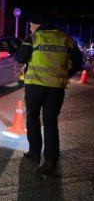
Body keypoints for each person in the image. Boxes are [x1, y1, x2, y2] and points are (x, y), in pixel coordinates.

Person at [15, 12, 83, 175]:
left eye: (31, 25)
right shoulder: (65, 38)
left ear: (37, 25)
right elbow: (79, 62)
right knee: (51, 121)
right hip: (56, 88)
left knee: (32, 118)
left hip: (35, 85)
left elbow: (20, 58)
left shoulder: (34, 38)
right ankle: (51, 161)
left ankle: (34, 153)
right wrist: (66, 74)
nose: (30, 28)